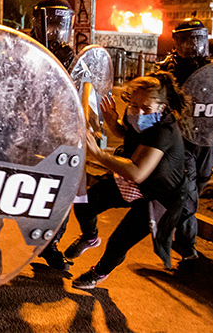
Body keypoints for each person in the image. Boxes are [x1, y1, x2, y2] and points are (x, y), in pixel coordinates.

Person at [64, 72, 188, 289]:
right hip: (133, 185)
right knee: (85, 204)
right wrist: (113, 122)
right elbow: (127, 133)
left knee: (119, 241)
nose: (138, 113)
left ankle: (98, 273)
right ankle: (90, 237)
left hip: (158, 195)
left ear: (163, 106)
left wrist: (99, 155)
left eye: (147, 108)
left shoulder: (164, 131)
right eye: (133, 105)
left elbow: (137, 172)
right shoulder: (139, 114)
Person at [155, 18, 213, 263]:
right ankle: (186, 245)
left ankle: (171, 229)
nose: (193, 45)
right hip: (182, 139)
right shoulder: (168, 71)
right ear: (177, 42)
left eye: (197, 39)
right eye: (187, 40)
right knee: (188, 192)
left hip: (207, 139)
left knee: (200, 180)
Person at [28, 0, 76, 271]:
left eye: (61, 24)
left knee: (61, 188)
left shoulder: (70, 55)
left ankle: (50, 242)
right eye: (50, 23)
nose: (55, 30)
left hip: (58, 132)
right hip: (26, 129)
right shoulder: (23, 47)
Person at [31, 0, 76, 69]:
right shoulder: (28, 52)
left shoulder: (67, 55)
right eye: (52, 25)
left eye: (60, 27)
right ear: (38, 25)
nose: (56, 32)